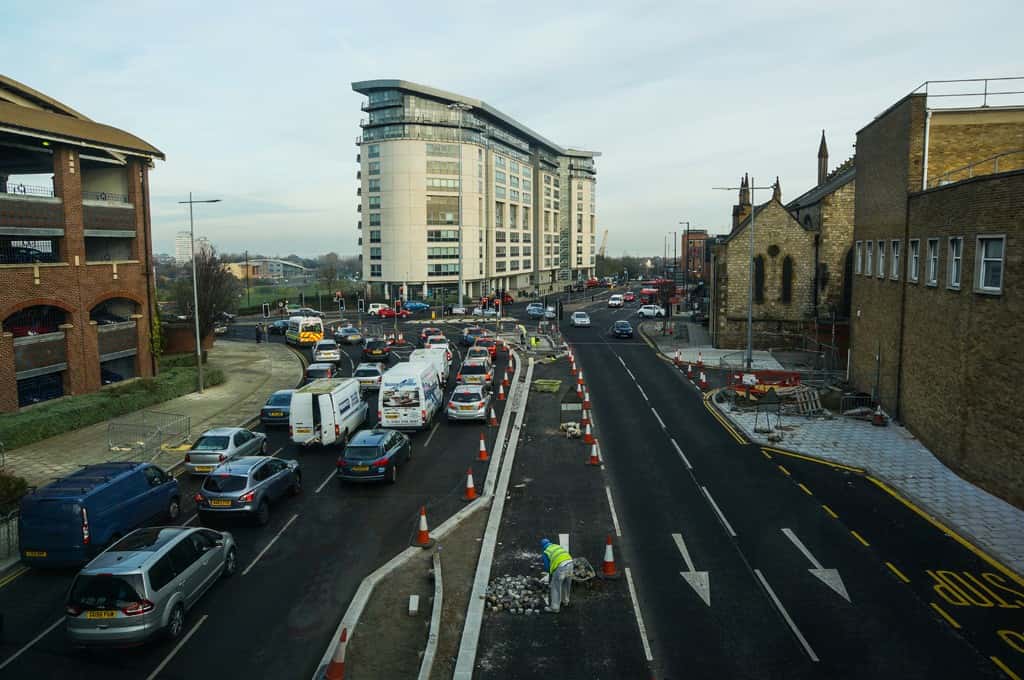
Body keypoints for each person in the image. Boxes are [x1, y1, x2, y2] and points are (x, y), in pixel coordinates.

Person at [540, 538, 573, 613]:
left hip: (561, 567)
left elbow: (547, 567)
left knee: (555, 586)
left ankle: (555, 608)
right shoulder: (557, 546)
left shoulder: (546, 552)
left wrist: (551, 575)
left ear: (543, 546)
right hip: (570, 563)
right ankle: (565, 601)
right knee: (566, 584)